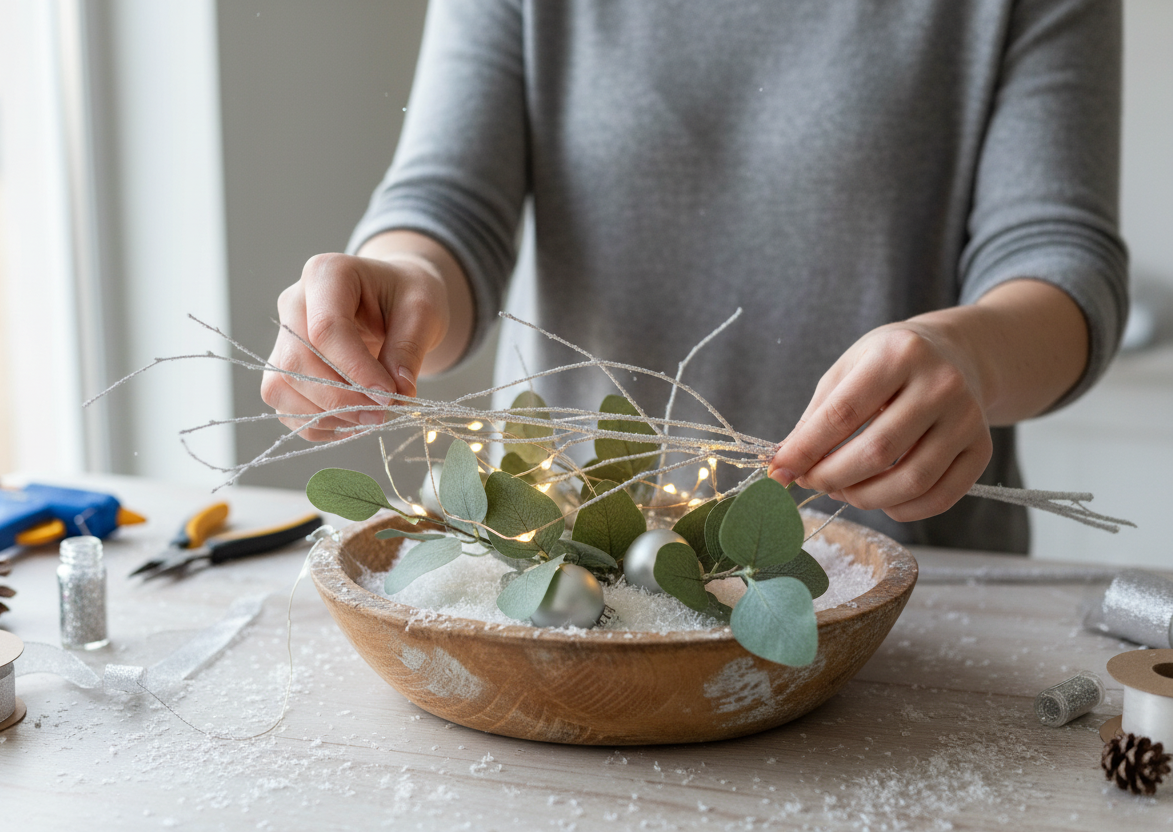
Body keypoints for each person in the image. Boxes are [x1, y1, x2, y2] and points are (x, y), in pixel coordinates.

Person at [261, 0, 1127, 553]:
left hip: (903, 590)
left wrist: (967, 356)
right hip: (563, 568)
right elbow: (450, 205)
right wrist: (399, 281)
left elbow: (1060, 263)